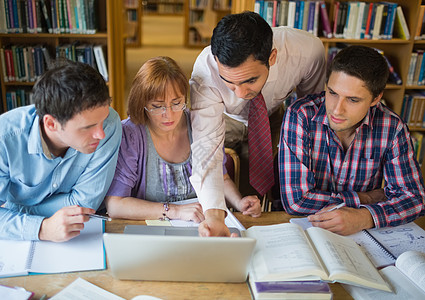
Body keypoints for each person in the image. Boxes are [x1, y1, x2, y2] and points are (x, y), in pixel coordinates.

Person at [189, 11, 326, 236]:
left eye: (250, 80)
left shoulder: (307, 52)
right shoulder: (205, 71)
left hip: (270, 116)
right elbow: (206, 151)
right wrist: (214, 216)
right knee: (229, 183)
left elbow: (312, 117)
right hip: (226, 118)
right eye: (229, 82)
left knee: (262, 191)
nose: (241, 93)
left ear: (271, 57)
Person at [279, 45, 425, 236]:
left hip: (361, 234)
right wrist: (365, 198)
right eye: (332, 93)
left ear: (376, 99)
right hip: (307, 229)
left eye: (353, 100)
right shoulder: (300, 115)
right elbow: (296, 201)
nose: (337, 110)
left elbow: (415, 199)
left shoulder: (392, 127)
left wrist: (365, 217)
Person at [104, 56, 261, 222]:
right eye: (158, 106)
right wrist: (175, 211)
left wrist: (239, 202)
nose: (169, 115)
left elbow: (219, 178)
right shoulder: (131, 135)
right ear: (142, 103)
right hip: (150, 230)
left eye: (177, 103)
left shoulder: (200, 124)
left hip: (201, 226)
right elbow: (115, 205)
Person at [0, 60, 122, 241]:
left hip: (82, 234)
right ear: (51, 123)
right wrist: (42, 228)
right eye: (88, 127)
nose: (101, 134)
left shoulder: (110, 123)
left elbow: (84, 206)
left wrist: (14, 209)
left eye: (102, 121)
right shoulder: (5, 138)